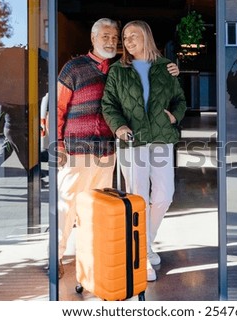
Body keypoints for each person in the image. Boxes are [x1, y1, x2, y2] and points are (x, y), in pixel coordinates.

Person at [57, 18, 180, 279]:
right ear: (93, 38)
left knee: (153, 197)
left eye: (119, 37)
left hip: (116, 149)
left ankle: (122, 250)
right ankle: (57, 256)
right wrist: (57, 144)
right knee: (70, 205)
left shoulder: (142, 68)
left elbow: (176, 97)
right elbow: (65, 108)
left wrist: (174, 111)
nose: (117, 41)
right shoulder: (89, 69)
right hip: (93, 147)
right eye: (110, 37)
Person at [102, 20, 187, 282]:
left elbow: (180, 100)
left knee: (164, 194)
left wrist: (174, 116)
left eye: (133, 36)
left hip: (161, 137)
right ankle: (141, 257)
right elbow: (109, 104)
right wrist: (119, 127)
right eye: (125, 37)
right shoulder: (118, 71)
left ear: (146, 37)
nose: (127, 41)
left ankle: (142, 245)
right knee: (138, 197)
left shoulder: (166, 68)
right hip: (133, 139)